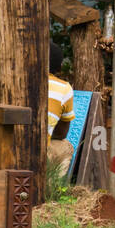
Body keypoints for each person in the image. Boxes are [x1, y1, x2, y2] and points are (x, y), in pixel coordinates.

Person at [47, 42, 76, 170]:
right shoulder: (64, 88)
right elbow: (61, 132)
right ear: (59, 67)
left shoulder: (15, 79)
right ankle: (55, 187)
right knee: (66, 146)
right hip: (39, 152)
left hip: (6, 145)